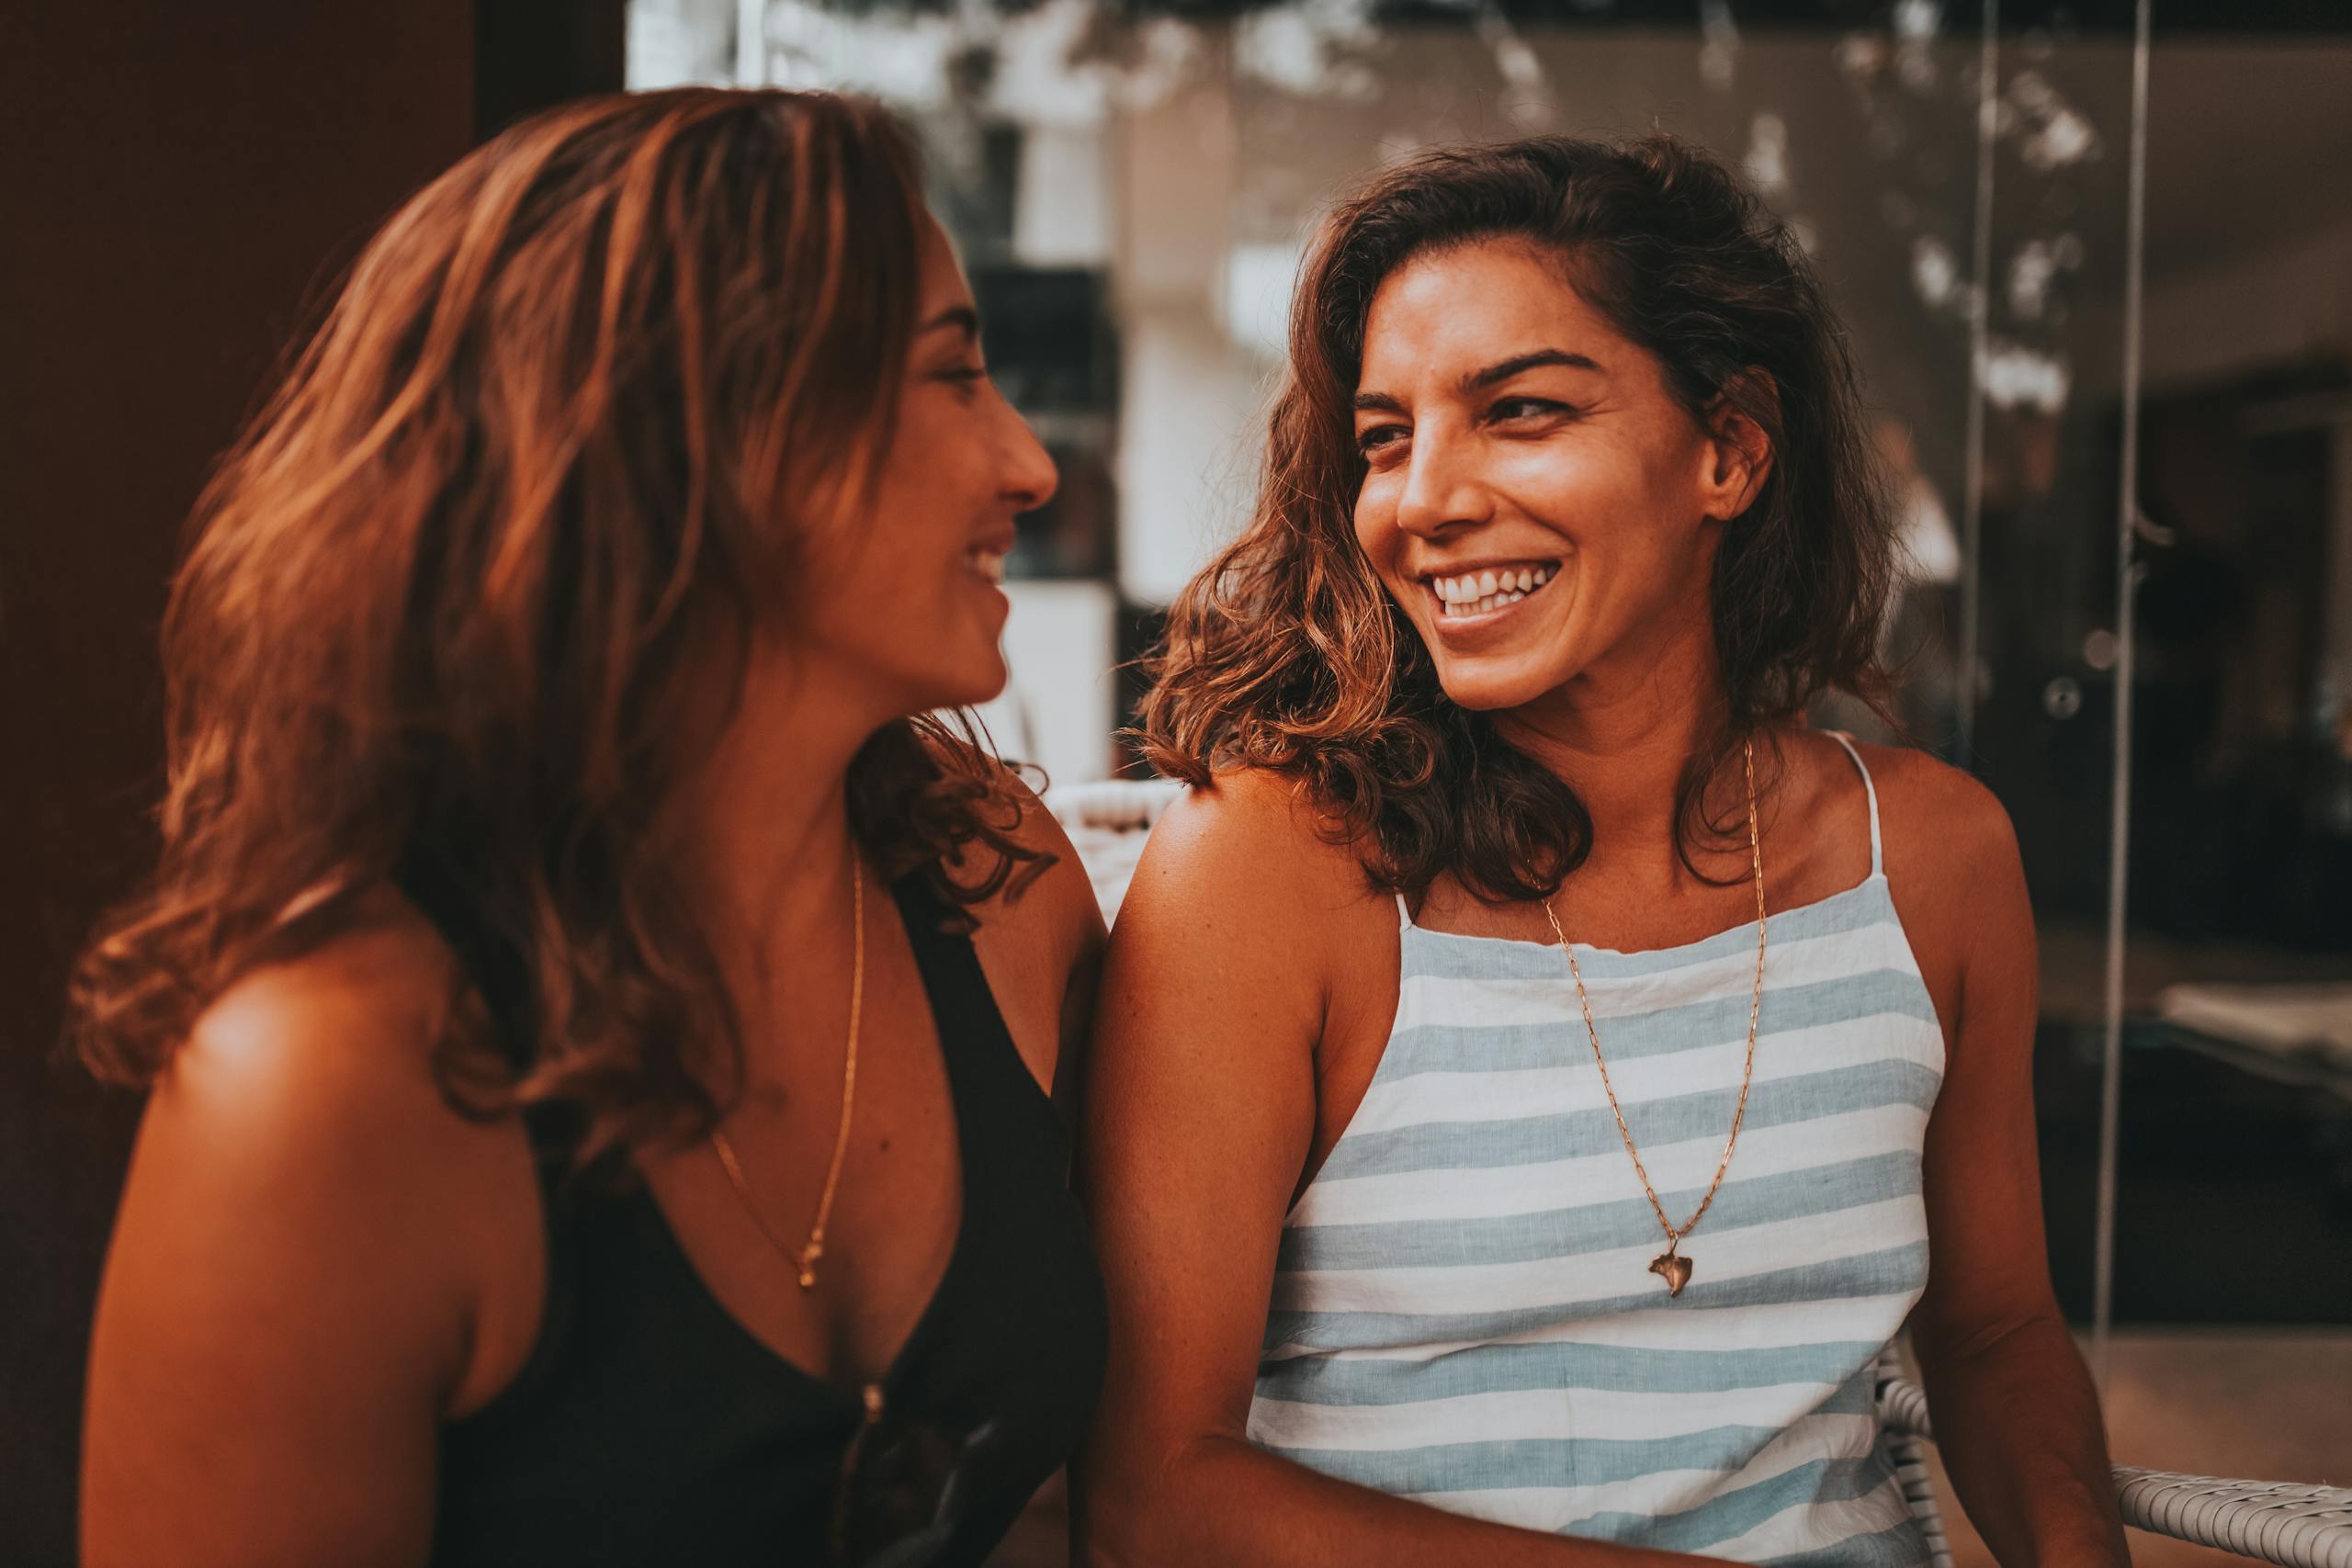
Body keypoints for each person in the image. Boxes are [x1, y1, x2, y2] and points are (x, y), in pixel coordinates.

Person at [74, 88, 1105, 1568]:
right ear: (708, 435)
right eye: (954, 379)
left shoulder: (1000, 889)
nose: (1028, 464)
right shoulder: (330, 1085)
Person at [1078, 135, 2128, 1566]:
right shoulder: (1278, 872)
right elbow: (1159, 1496)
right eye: (1384, 438)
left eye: (1519, 413)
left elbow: (1999, 1331)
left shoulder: (1933, 856)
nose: (1423, 500)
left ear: (1731, 449)